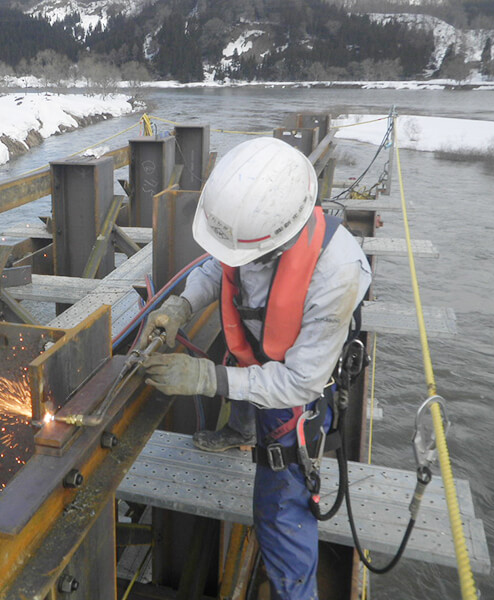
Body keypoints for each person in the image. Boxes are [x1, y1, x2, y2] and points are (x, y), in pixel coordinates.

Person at [139, 136, 372, 600]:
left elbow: (300, 380)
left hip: (296, 396)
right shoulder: (251, 231)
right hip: (256, 351)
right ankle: (243, 430)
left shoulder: (337, 274)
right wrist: (182, 306)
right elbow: (218, 267)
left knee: (280, 512)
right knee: (236, 356)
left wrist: (207, 379)